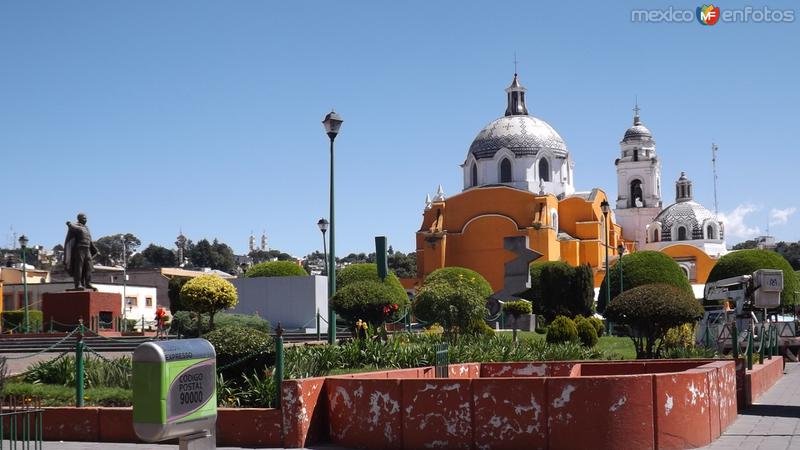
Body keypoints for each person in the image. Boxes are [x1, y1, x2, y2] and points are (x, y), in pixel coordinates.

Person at [64, 213, 98, 290]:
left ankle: (88, 283)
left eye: (86, 218)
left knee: (89, 267)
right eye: (83, 218)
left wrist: (94, 249)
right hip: (80, 249)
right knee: (79, 267)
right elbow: (71, 226)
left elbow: (90, 239)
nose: (85, 220)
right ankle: (78, 284)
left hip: (87, 249)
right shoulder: (77, 226)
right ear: (79, 219)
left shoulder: (86, 228)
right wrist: (69, 223)